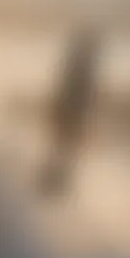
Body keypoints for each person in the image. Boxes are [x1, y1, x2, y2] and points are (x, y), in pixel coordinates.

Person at [38, 26, 100, 198]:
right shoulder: (82, 70)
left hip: (70, 114)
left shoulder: (77, 69)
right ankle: (53, 184)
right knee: (62, 151)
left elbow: (69, 94)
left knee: (60, 151)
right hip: (72, 115)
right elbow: (80, 96)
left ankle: (52, 184)